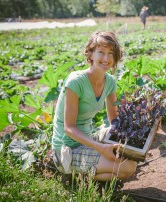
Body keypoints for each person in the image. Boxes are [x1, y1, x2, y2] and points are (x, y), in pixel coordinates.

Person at [51, 31, 137, 181]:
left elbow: (114, 121)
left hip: (88, 138)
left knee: (130, 159)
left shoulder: (110, 82)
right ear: (90, 55)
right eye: (101, 52)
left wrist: (142, 129)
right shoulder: (75, 82)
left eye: (111, 53)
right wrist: (101, 148)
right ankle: (79, 175)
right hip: (67, 149)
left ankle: (88, 175)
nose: (106, 58)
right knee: (127, 168)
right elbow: (69, 128)